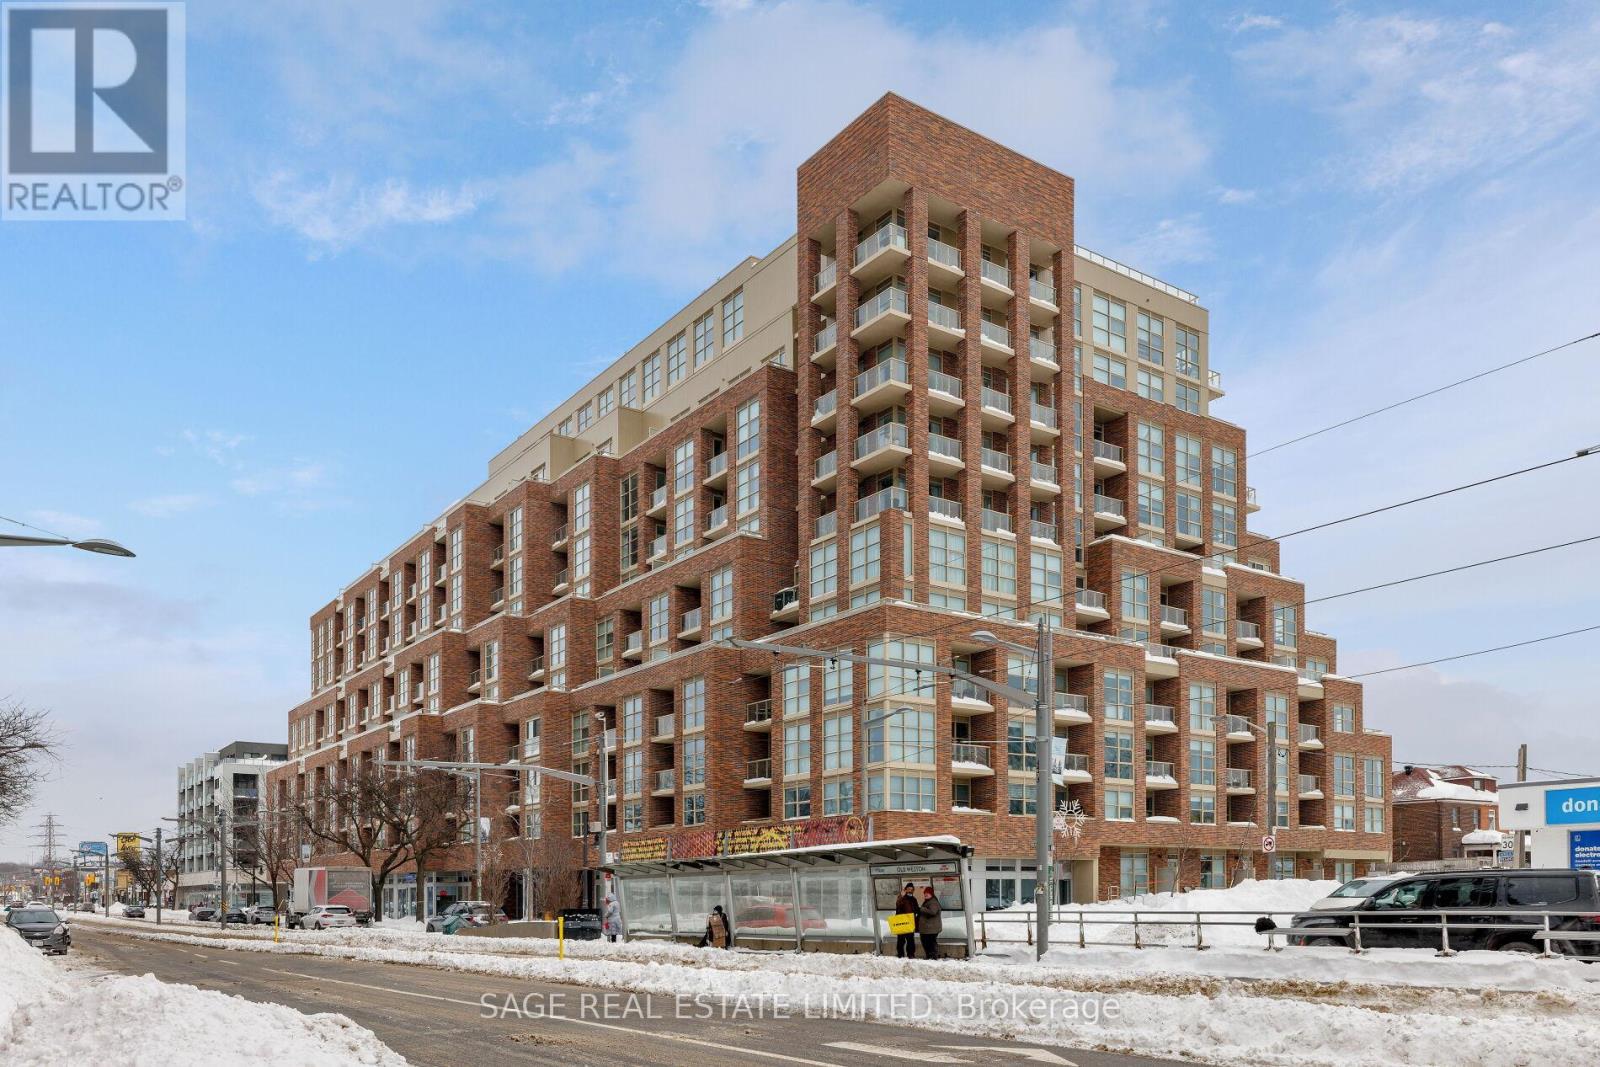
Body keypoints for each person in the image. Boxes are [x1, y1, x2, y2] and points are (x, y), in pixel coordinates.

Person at [894, 883, 919, 958]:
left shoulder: (914, 899)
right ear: (905, 890)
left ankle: (911, 954)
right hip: (902, 921)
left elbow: (916, 909)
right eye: (908, 889)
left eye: (911, 889)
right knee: (901, 939)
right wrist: (901, 896)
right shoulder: (902, 898)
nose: (910, 891)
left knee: (910, 939)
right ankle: (900, 954)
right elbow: (898, 905)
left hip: (910, 922)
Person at [917, 885, 943, 960]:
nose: (926, 894)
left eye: (928, 893)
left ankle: (932, 957)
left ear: (931, 894)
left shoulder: (933, 902)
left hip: (931, 928)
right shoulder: (928, 901)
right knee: (927, 942)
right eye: (925, 893)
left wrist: (921, 909)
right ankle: (930, 956)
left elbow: (933, 912)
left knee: (930, 943)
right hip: (928, 928)